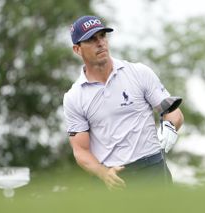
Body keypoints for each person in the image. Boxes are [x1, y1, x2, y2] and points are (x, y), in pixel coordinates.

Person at [63, 15, 184, 190]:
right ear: (77, 49)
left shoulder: (138, 72)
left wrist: (170, 126)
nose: (100, 43)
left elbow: (173, 112)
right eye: (91, 39)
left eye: (102, 36)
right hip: (114, 179)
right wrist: (103, 173)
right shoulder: (74, 97)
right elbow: (80, 150)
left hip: (153, 170)